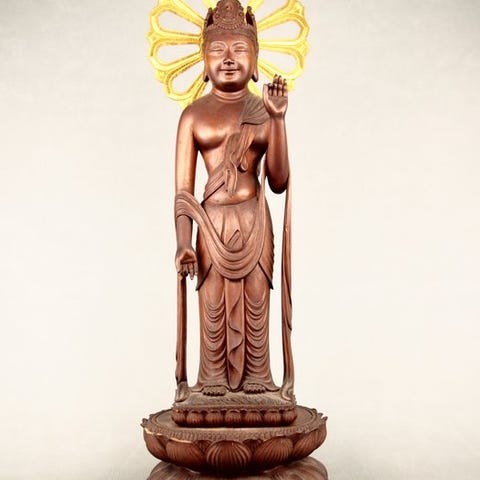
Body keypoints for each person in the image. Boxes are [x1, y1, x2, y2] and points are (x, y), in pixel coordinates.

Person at [174, 0, 292, 401]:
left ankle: (259, 382)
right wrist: (183, 243)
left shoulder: (263, 110)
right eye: (217, 50)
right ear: (204, 62)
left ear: (255, 60)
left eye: (239, 49)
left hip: (254, 218)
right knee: (212, 307)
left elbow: (278, 181)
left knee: (256, 302)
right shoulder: (193, 116)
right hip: (211, 223)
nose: (228, 59)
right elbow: (183, 194)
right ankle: (211, 384)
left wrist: (278, 120)